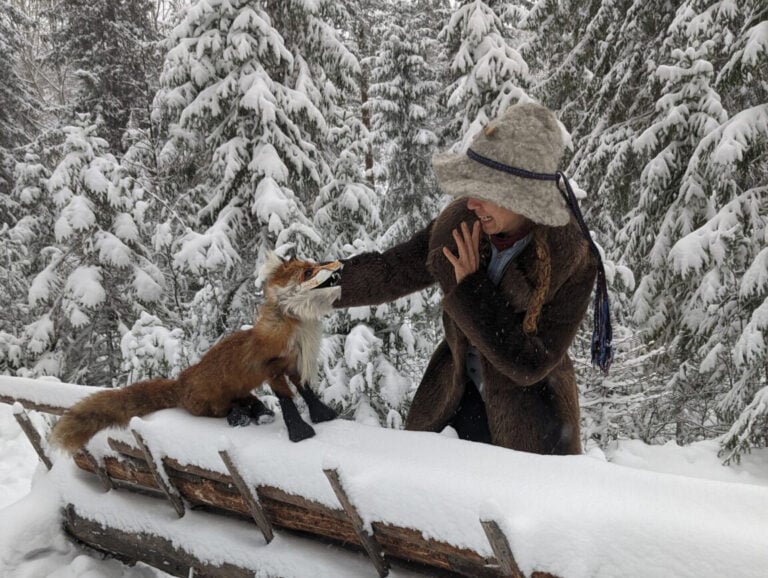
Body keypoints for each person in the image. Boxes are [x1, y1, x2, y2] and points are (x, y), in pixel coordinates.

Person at [332, 102, 612, 455]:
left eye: (486, 193)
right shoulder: (461, 224)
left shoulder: (570, 259)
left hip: (532, 423)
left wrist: (471, 290)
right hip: (452, 399)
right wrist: (308, 284)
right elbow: (389, 271)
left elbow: (531, 364)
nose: (472, 203)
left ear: (523, 198)